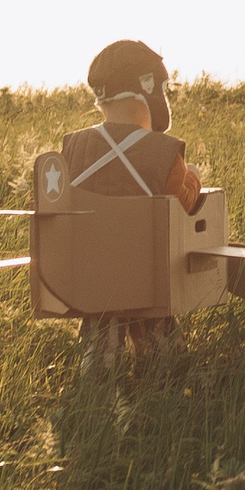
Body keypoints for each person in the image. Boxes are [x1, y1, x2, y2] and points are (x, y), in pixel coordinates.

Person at [63, 39, 204, 362]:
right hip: (147, 276)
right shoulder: (164, 153)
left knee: (101, 324)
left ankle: (99, 363)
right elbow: (183, 202)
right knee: (160, 337)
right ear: (147, 89)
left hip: (91, 278)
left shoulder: (73, 148)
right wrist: (192, 176)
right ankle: (160, 364)